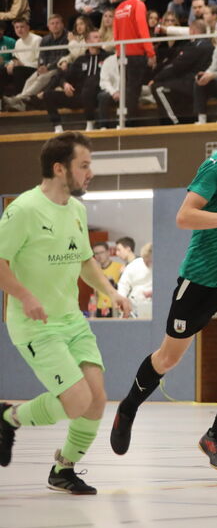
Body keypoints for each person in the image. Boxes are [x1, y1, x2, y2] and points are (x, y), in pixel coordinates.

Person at [110, 101, 217, 475]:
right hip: (202, 276)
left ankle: (215, 435)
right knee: (169, 358)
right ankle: (128, 407)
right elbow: (184, 216)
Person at [0, 132, 133, 494]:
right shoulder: (23, 209)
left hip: (72, 321)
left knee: (97, 399)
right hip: (35, 325)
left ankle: (63, 469)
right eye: (84, 165)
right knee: (76, 401)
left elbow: (85, 261)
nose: (90, 172)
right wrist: (25, 296)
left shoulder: (75, 210)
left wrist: (112, 292)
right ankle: (7, 418)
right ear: (60, 168)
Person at [44, 30, 110, 133]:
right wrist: (65, 84)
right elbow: (64, 76)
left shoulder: (108, 57)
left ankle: (90, 122)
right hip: (79, 95)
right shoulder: (81, 59)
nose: (99, 39)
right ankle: (57, 126)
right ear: (88, 41)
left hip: (97, 95)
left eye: (100, 37)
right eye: (96, 37)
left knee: (89, 84)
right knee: (48, 94)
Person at [117, 242, 154, 320]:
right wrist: (122, 300)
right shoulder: (134, 265)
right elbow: (123, 285)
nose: (147, 263)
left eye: (149, 261)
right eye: (145, 260)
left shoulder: (162, 267)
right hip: (135, 307)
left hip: (155, 307)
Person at [90, 241, 125, 318]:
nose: (99, 256)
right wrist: (92, 316)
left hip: (114, 309)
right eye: (96, 253)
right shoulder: (95, 271)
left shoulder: (120, 268)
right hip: (100, 310)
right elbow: (95, 295)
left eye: (101, 252)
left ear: (108, 252)